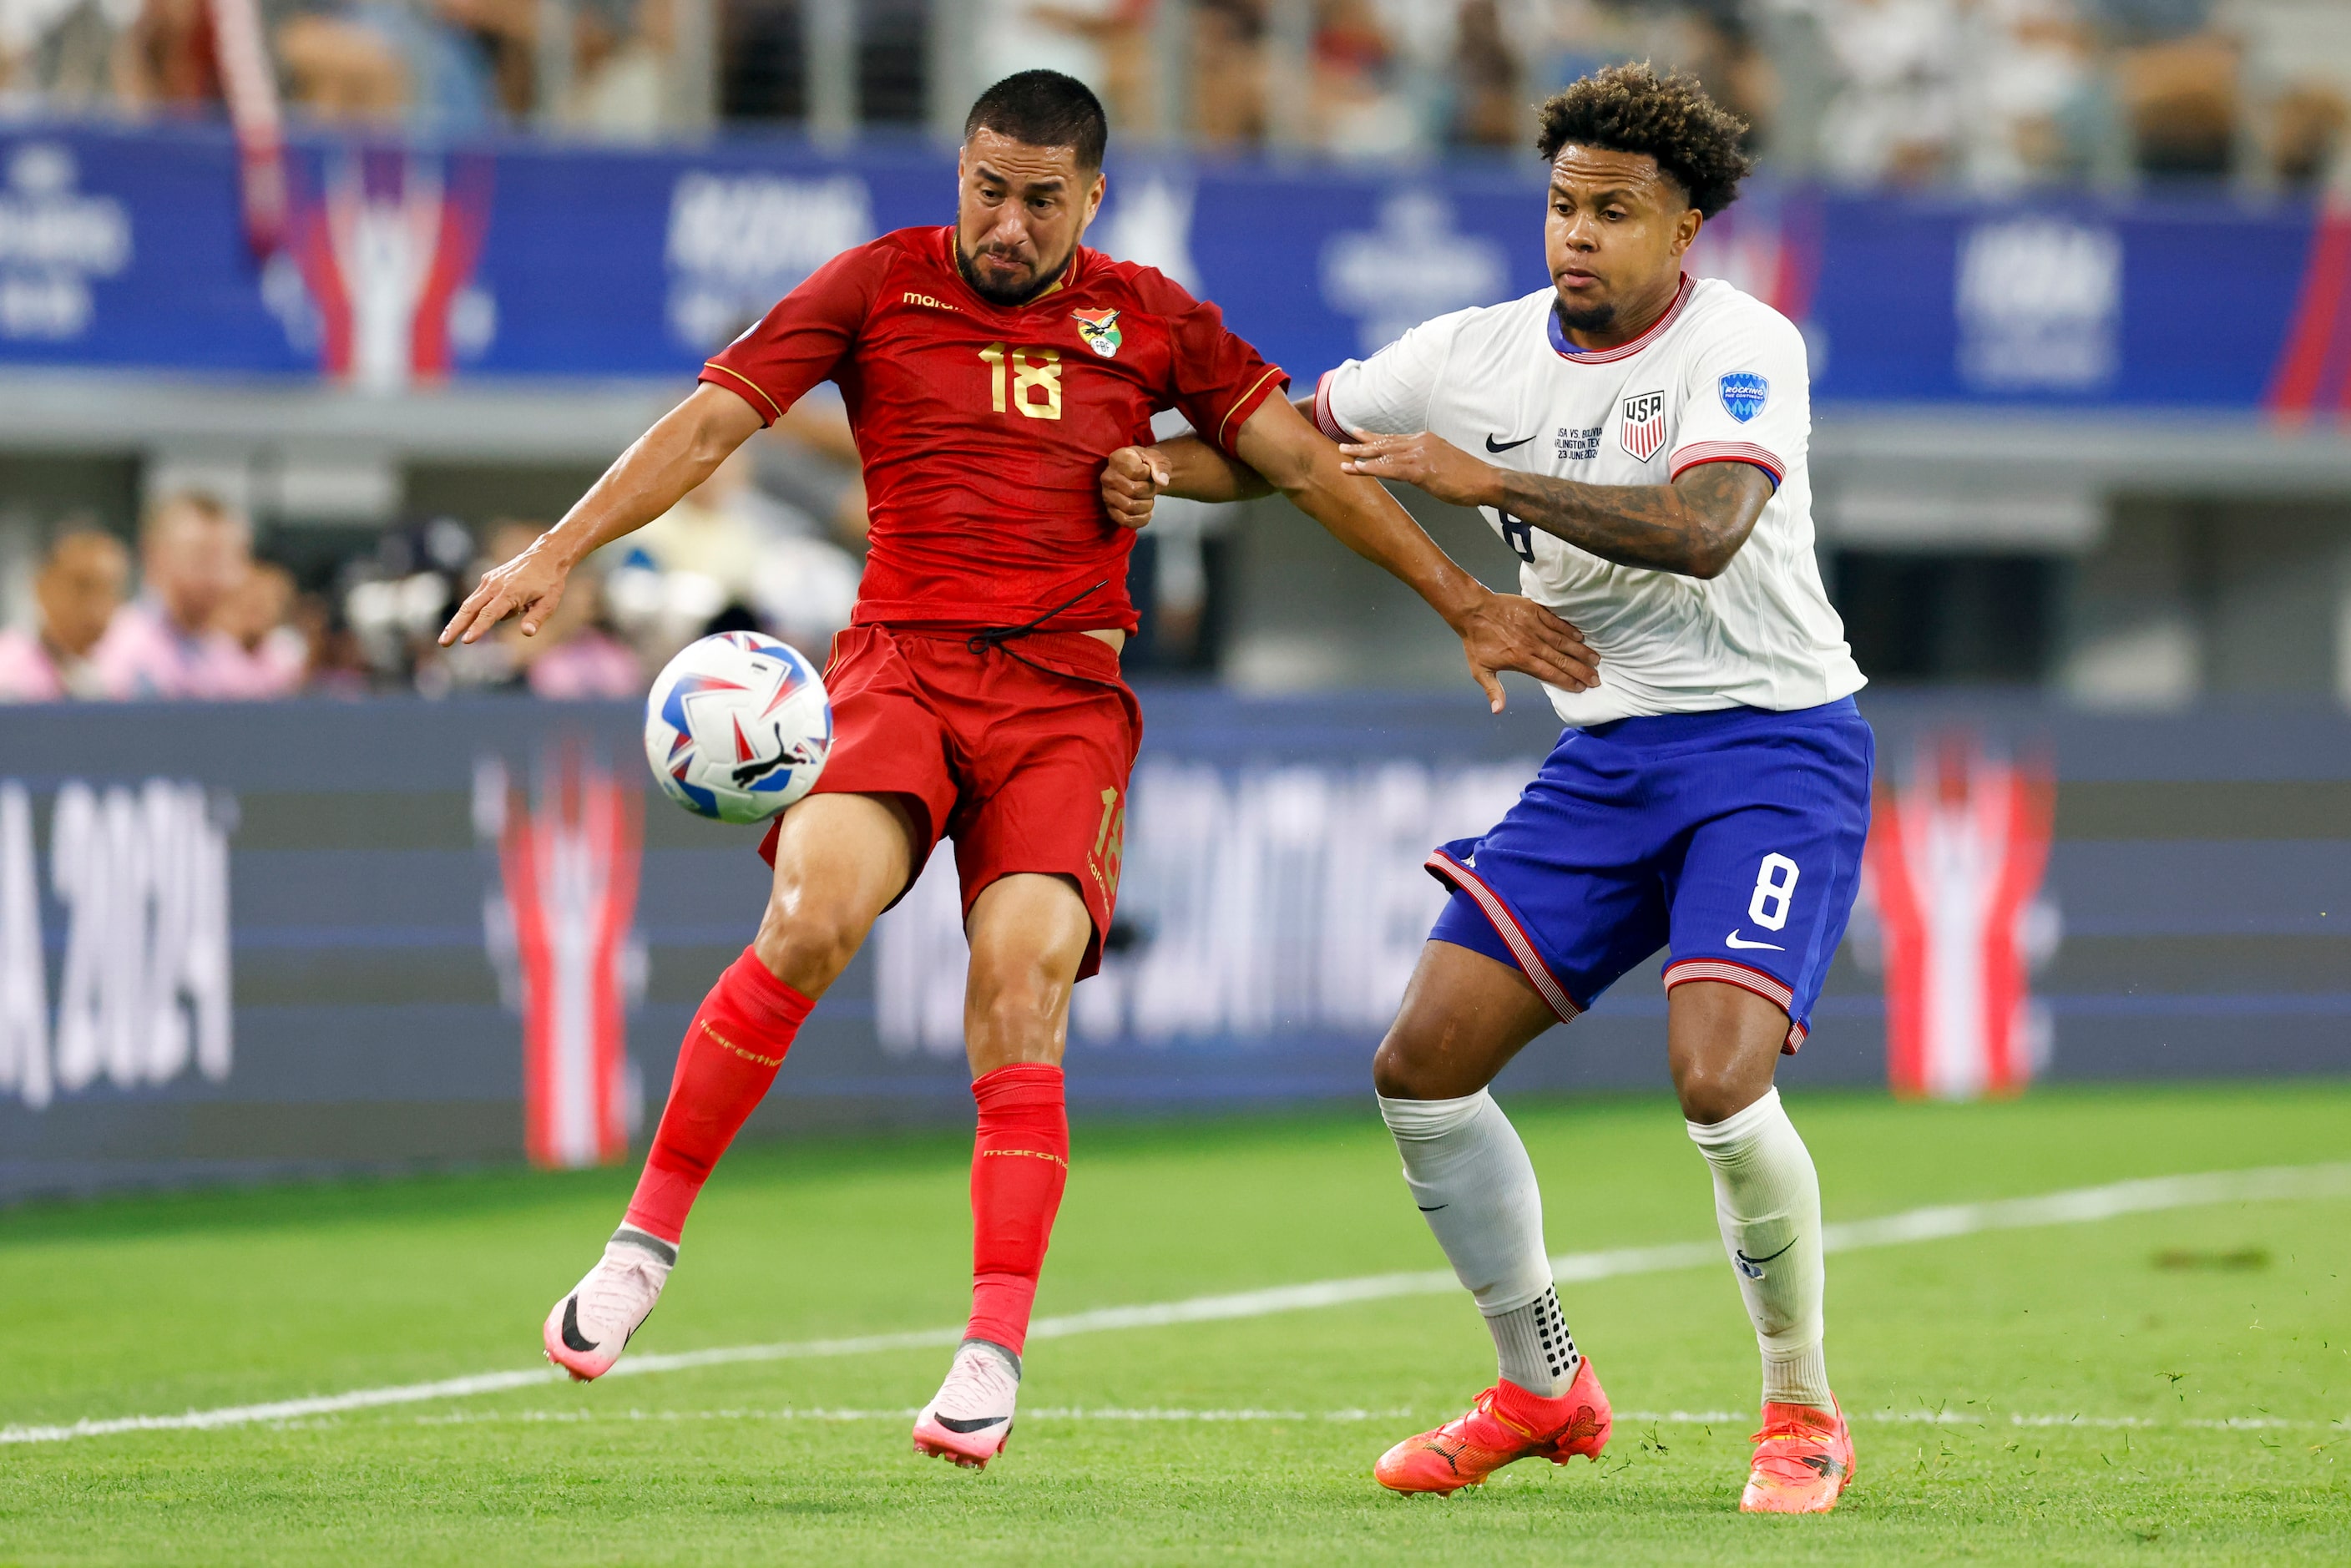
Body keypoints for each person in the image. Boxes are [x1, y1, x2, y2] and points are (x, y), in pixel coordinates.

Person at [438, 68, 1595, 1470]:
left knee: (1020, 982)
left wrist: (1459, 600)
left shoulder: (1149, 315)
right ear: (963, 174)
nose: (1006, 220)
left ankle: (989, 1348)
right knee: (809, 916)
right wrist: (556, 549)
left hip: (1062, 701)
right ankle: (641, 1245)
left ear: (1089, 198)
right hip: (902, 666)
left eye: (1041, 199)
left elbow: (1301, 459)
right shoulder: (877, 284)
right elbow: (710, 421)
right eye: (988, 188)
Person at [1105, 63, 1869, 1515]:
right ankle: (1542, 1381)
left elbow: (1707, 528)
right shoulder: (1472, 352)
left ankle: (1798, 1406)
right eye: (1563, 206)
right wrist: (1144, 469)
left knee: (1717, 1079)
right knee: (1423, 1066)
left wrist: (1485, 481)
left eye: (1615, 212)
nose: (1578, 235)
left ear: (1686, 226)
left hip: (1774, 744)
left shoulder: (1744, 342)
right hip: (1608, 759)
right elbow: (1291, 443)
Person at [90, 492, 259, 700]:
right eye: (203, 558)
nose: (220, 577)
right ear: (155, 556)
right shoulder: (121, 650)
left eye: (231, 558)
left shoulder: (226, 655)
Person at [0, 526, 129, 702]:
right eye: (83, 587)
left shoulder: (124, 670)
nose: (98, 607)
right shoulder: (8, 676)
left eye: (110, 591)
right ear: (42, 586)